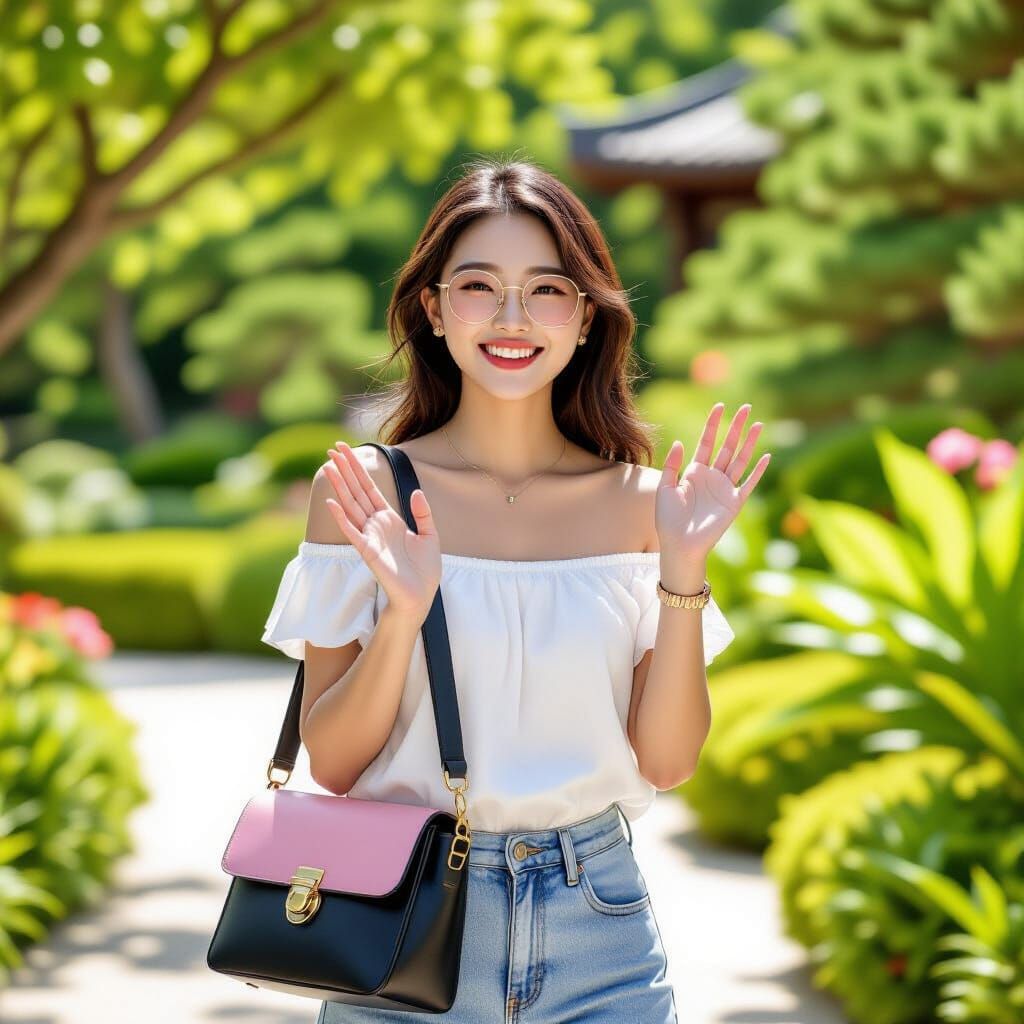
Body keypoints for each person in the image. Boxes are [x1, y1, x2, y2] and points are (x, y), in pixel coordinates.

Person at [261, 157, 770, 1023]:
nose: (511, 318)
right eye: (478, 286)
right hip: (400, 920)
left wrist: (684, 572)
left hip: (598, 929)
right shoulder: (362, 491)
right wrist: (404, 616)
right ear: (433, 308)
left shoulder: (646, 506)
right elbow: (336, 762)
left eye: (546, 290)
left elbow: (669, 762)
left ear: (584, 317)